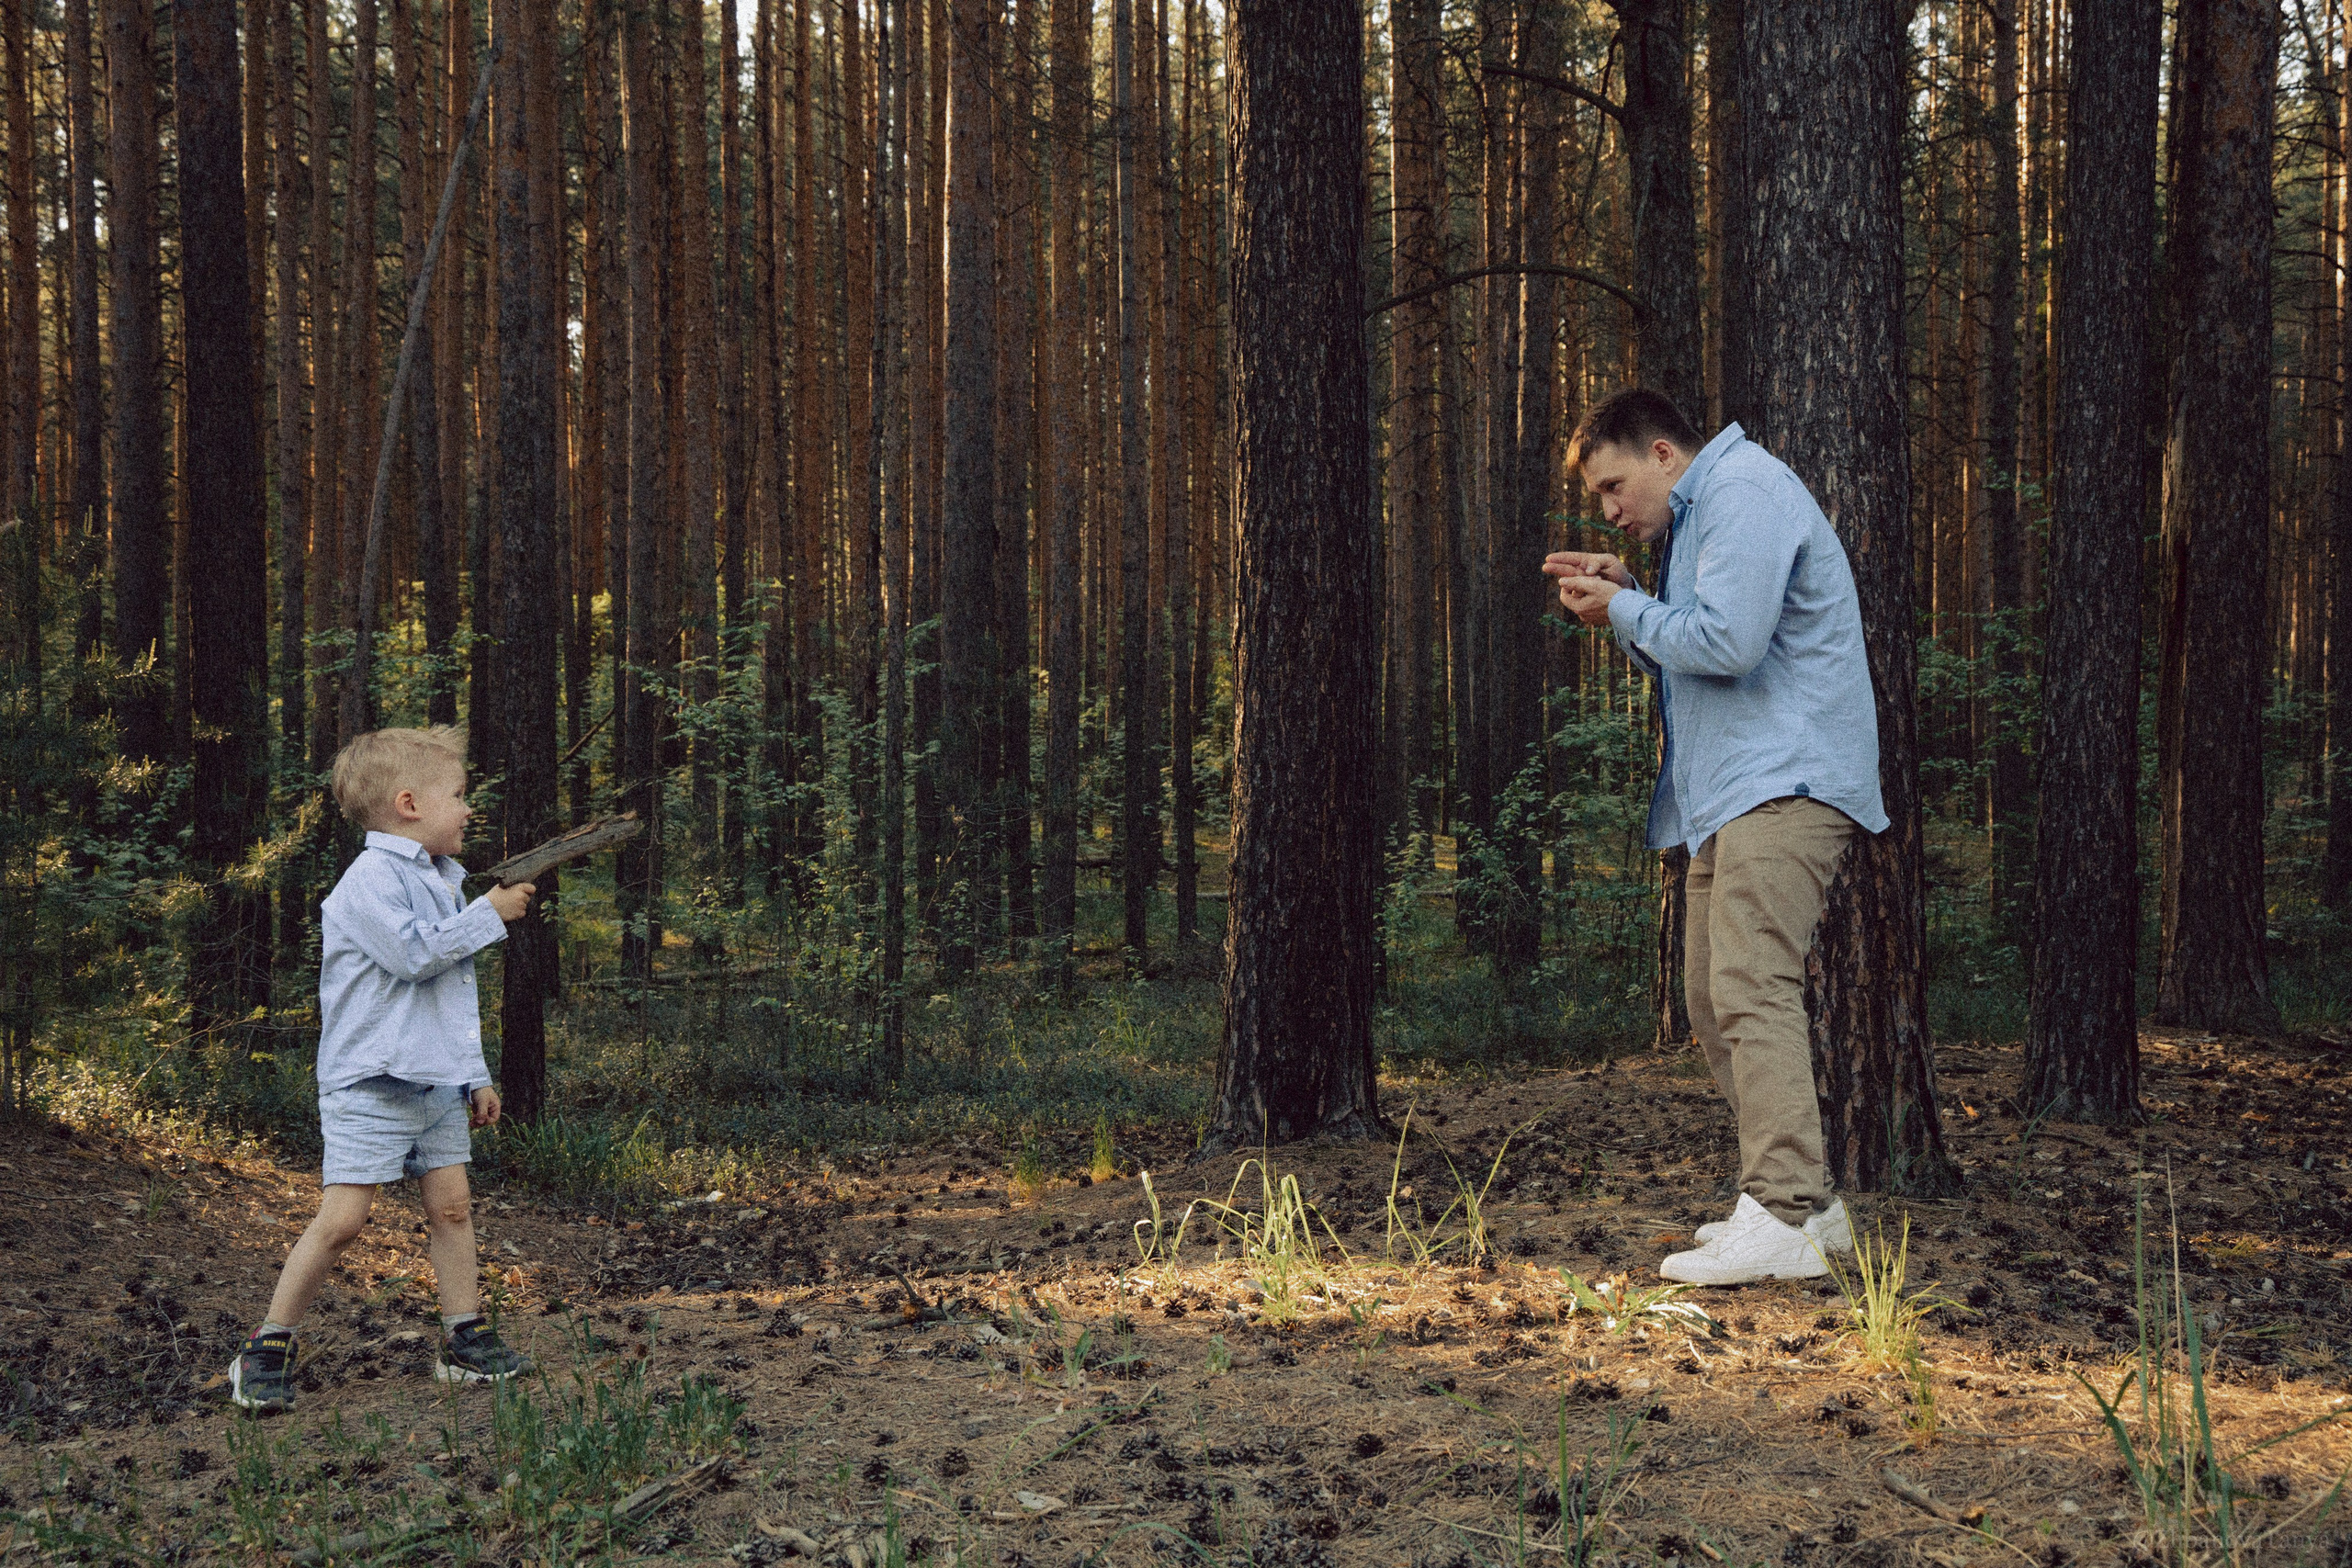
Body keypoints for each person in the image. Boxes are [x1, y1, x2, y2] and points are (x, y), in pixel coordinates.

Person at [1543, 389, 1885, 1286]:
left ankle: (1778, 1211)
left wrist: (1621, 612)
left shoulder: (1740, 492)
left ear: (1662, 453)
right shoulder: (1699, 517)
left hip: (1786, 780)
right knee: (1708, 994)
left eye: (1615, 488)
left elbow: (1729, 644)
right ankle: (1809, 1209)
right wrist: (1627, 598)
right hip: (1727, 794)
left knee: (1748, 982)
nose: (1611, 511)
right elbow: (1697, 647)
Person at [228, 726, 539, 1413]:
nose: (466, 809)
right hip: (369, 1082)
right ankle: (268, 1343)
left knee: (452, 1207)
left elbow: (451, 994)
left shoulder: (438, 880)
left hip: (432, 1082)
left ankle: (463, 1341)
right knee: (343, 1220)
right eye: (456, 796)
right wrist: (488, 913)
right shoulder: (368, 881)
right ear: (408, 803)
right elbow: (416, 956)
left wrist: (474, 1073)